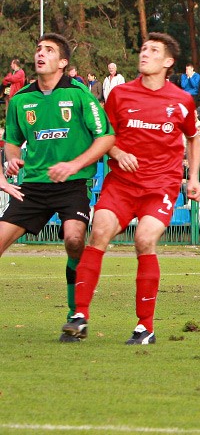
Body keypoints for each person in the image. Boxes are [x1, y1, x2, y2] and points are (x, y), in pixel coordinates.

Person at [64, 32, 200, 345]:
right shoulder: (120, 95)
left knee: (144, 240)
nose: (145, 54)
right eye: (143, 48)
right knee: (98, 234)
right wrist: (116, 152)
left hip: (161, 186)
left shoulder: (181, 100)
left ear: (168, 62)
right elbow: (103, 137)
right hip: (121, 184)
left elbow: (194, 137)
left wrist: (192, 178)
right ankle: (79, 316)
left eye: (153, 51)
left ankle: (145, 327)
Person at [0, 34, 115, 342]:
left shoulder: (80, 95)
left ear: (63, 63)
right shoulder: (21, 100)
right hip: (33, 187)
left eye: (49, 50)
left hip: (71, 184)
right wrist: (12, 161)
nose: (41, 54)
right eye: (38, 49)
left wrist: (74, 165)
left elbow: (105, 137)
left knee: (75, 240)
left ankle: (76, 314)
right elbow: (12, 143)